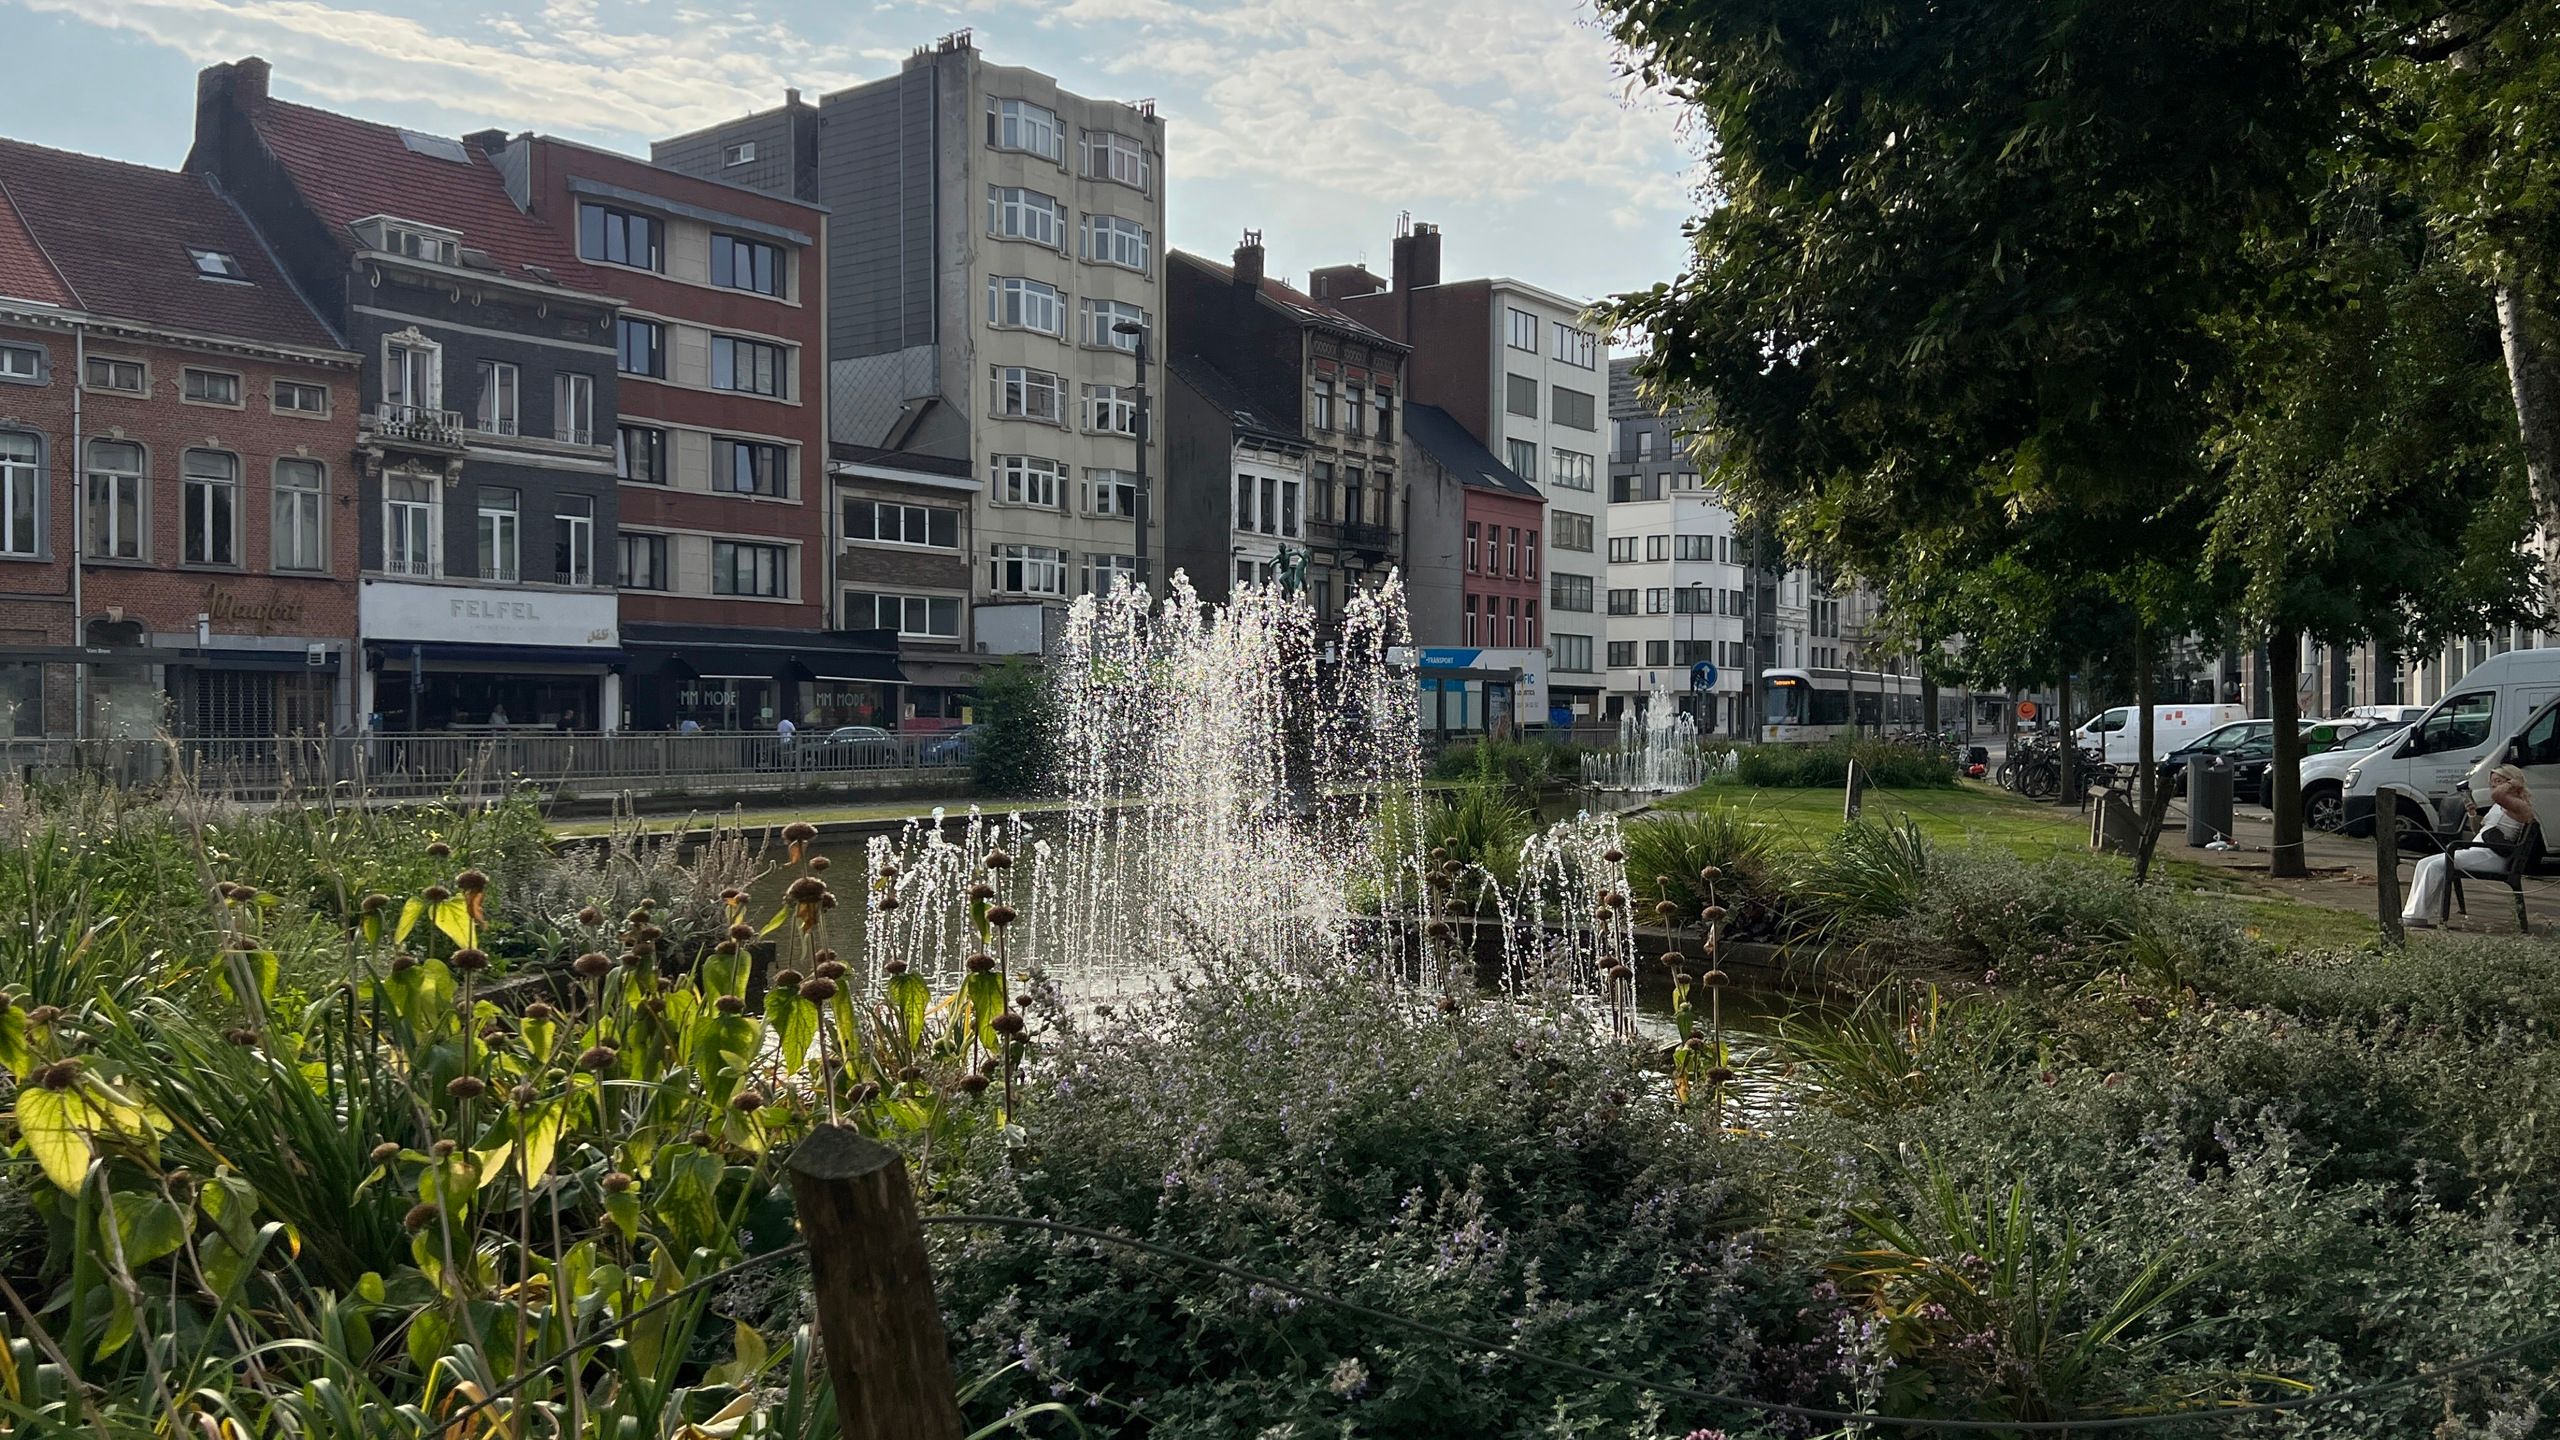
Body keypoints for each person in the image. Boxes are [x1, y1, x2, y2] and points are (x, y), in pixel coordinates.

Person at [2403, 766, 2536, 926]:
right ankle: (2414, 913)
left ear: (2511, 782)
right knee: (2424, 863)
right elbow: (2479, 831)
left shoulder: (2519, 805)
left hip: (2492, 856)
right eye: (2492, 783)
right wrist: (2472, 814)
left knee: (2436, 867)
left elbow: (2497, 794)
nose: (2494, 787)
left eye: (2498, 781)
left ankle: (2416, 915)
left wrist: (2514, 783)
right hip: (2478, 851)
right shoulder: (2499, 805)